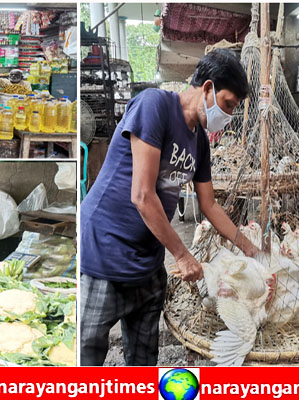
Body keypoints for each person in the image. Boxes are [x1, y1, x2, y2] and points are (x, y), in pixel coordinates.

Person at [79, 49, 261, 366]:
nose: (228, 115)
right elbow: (142, 195)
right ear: (207, 88)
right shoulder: (155, 106)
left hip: (147, 259)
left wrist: (249, 247)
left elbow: (210, 204)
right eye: (228, 104)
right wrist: (181, 254)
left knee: (143, 359)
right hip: (105, 252)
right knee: (87, 354)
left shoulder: (200, 141)